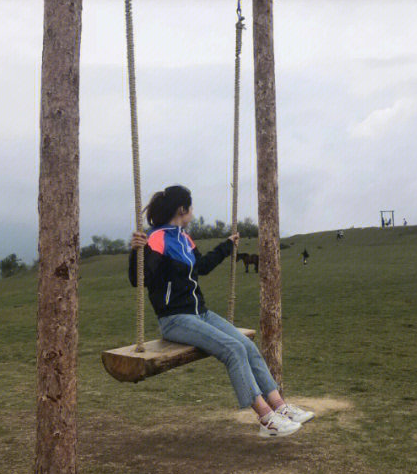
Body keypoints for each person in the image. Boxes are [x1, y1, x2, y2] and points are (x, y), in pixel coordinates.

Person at [128, 184, 314, 438]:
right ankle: (266, 419)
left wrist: (226, 246)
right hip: (175, 319)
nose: (193, 211)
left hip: (199, 313)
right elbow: (140, 280)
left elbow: (201, 267)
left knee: (247, 345)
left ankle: (281, 407)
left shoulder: (184, 237)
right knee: (233, 348)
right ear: (182, 208)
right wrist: (135, 252)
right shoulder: (156, 238)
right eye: (191, 207)